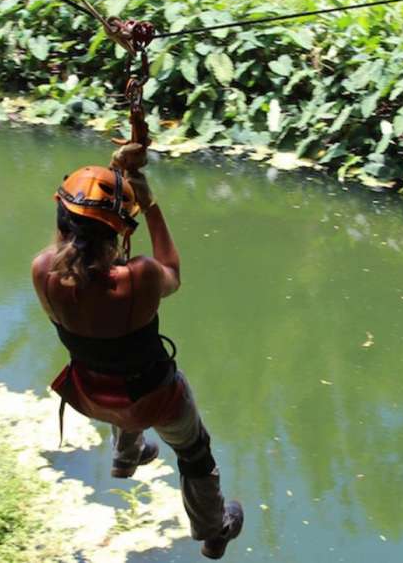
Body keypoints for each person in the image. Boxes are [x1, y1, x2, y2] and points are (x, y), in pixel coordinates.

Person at [31, 145, 244, 559]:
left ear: (60, 223)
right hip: (155, 400)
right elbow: (174, 275)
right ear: (119, 233)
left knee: (111, 368)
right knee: (193, 450)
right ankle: (213, 531)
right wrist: (150, 204)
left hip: (92, 395)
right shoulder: (139, 277)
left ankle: (125, 458)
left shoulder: (42, 272)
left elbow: (84, 284)